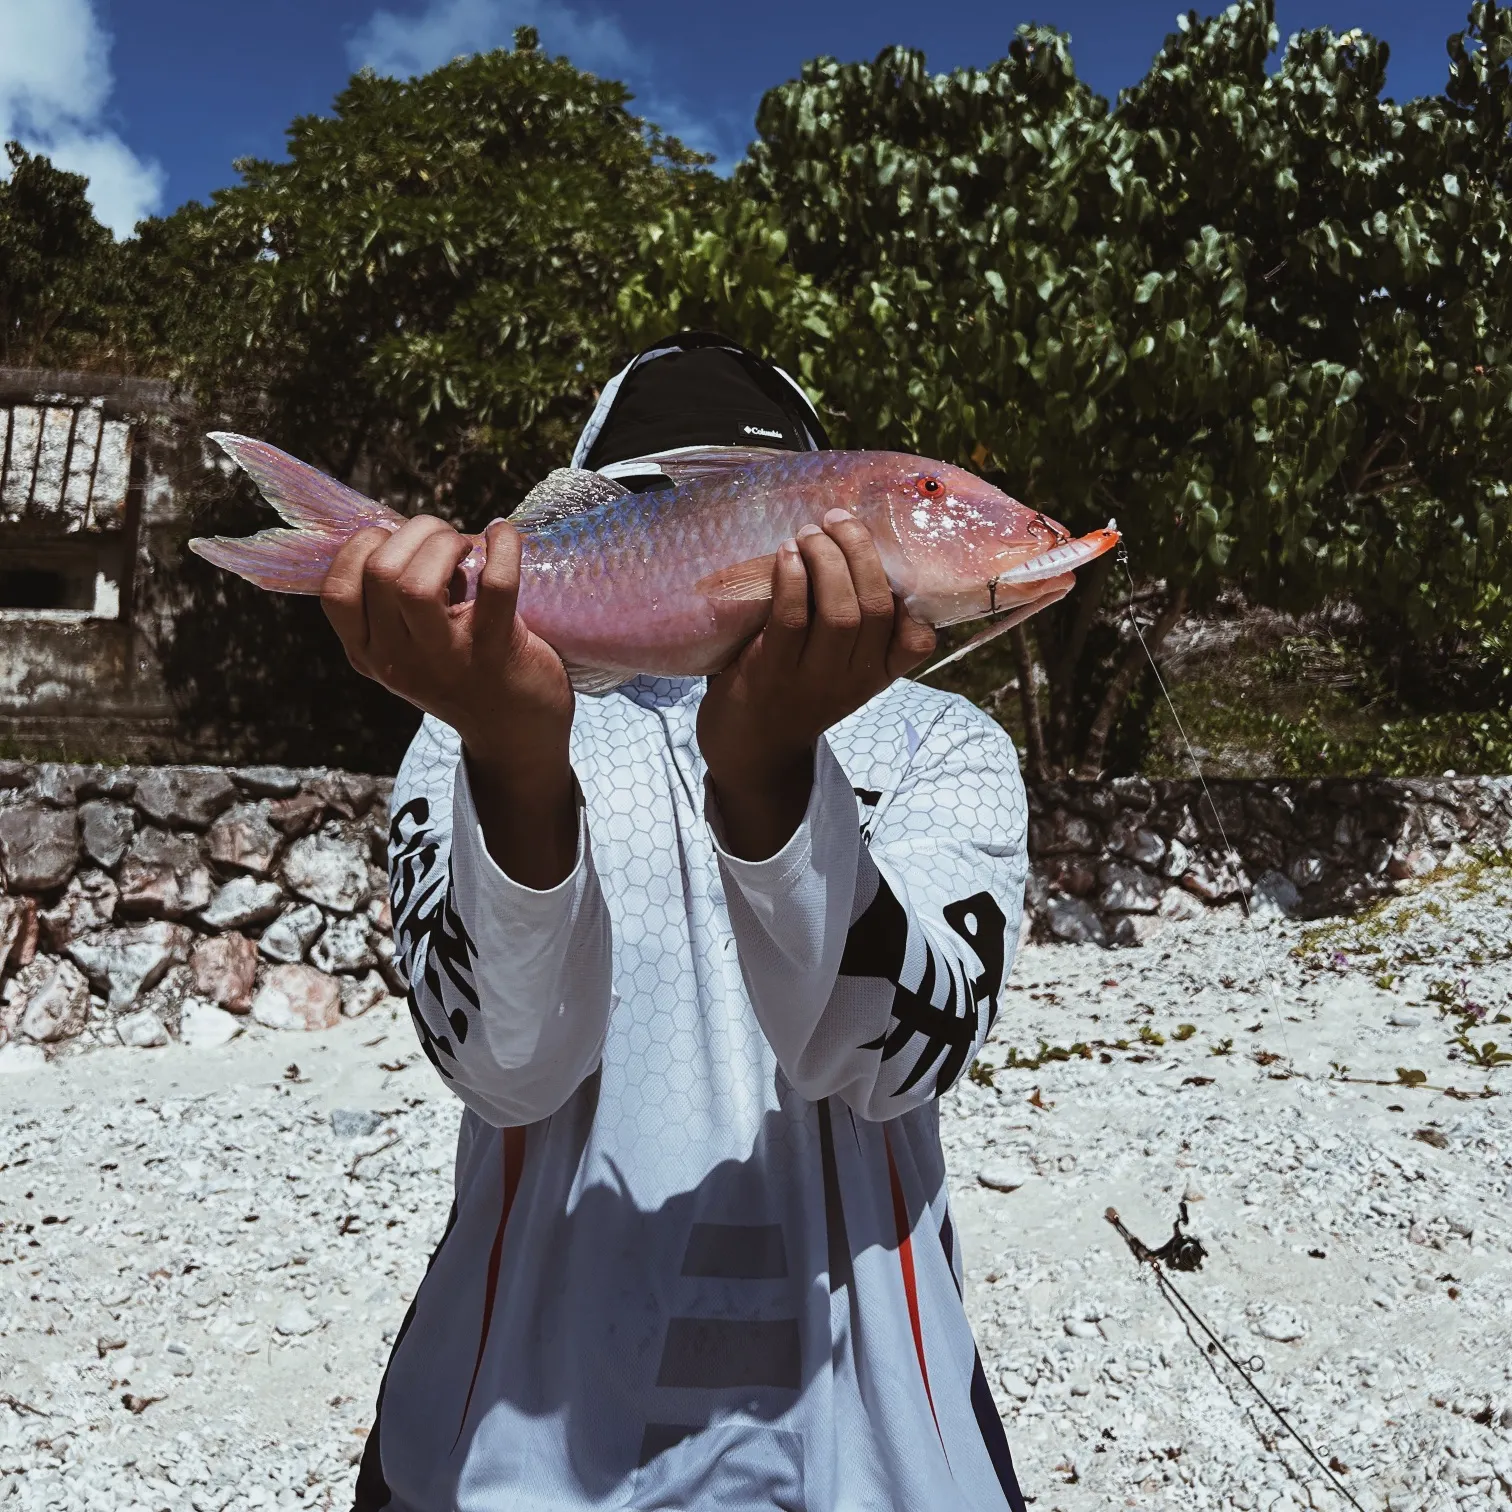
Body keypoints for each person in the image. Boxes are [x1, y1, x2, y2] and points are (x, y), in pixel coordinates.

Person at [328, 332, 1031, 1512]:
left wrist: (769, 776)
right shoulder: (466, 726)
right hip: (510, 1460)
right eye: (662, 503)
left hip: (873, 1457)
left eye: (746, 503)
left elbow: (895, 1061)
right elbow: (504, 1064)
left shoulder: (943, 742)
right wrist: (511, 758)